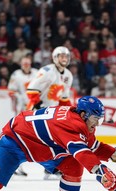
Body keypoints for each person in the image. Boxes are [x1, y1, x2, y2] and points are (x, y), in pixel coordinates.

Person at [26, 46, 73, 180]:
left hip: (51, 113)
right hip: (36, 111)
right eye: (61, 56)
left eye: (66, 56)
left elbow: (64, 98)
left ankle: (50, 167)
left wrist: (69, 112)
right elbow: (32, 89)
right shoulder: (47, 71)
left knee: (52, 141)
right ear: (55, 57)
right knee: (37, 142)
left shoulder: (68, 75)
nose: (64, 59)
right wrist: (39, 107)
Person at [7, 56, 38, 176]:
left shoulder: (36, 73)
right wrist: (20, 98)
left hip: (35, 111)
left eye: (27, 63)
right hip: (22, 112)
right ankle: (15, 165)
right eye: (24, 64)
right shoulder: (16, 75)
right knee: (19, 137)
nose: (26, 65)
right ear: (21, 64)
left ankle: (51, 166)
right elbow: (11, 91)